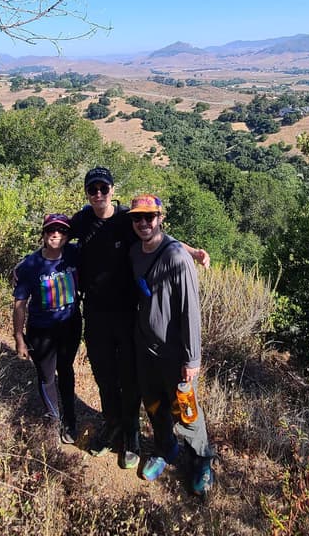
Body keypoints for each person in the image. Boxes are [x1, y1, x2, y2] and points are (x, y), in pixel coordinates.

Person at [71, 167, 210, 470]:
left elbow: (163, 240)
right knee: (109, 378)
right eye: (92, 189)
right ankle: (117, 427)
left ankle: (146, 440)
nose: (97, 194)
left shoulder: (126, 219)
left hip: (129, 320)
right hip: (99, 316)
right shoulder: (83, 221)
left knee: (144, 387)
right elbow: (54, 236)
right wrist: (31, 264)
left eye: (103, 188)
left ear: (111, 189)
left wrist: (193, 252)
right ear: (86, 192)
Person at [128, 193, 216, 496]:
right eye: (137, 217)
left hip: (173, 353)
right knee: (153, 404)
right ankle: (166, 450)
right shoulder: (135, 250)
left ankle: (202, 460)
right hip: (144, 348)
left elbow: (190, 311)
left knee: (186, 411)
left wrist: (192, 359)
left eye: (149, 217)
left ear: (160, 218)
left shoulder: (177, 258)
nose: (143, 223)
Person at [12, 213, 82, 445]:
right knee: (46, 376)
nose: (56, 234)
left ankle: (70, 421)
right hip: (41, 330)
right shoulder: (30, 265)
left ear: (67, 235)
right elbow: (20, 303)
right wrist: (19, 338)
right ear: (43, 234)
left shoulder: (74, 253)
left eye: (61, 230)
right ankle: (54, 421)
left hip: (70, 325)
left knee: (66, 370)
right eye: (51, 230)